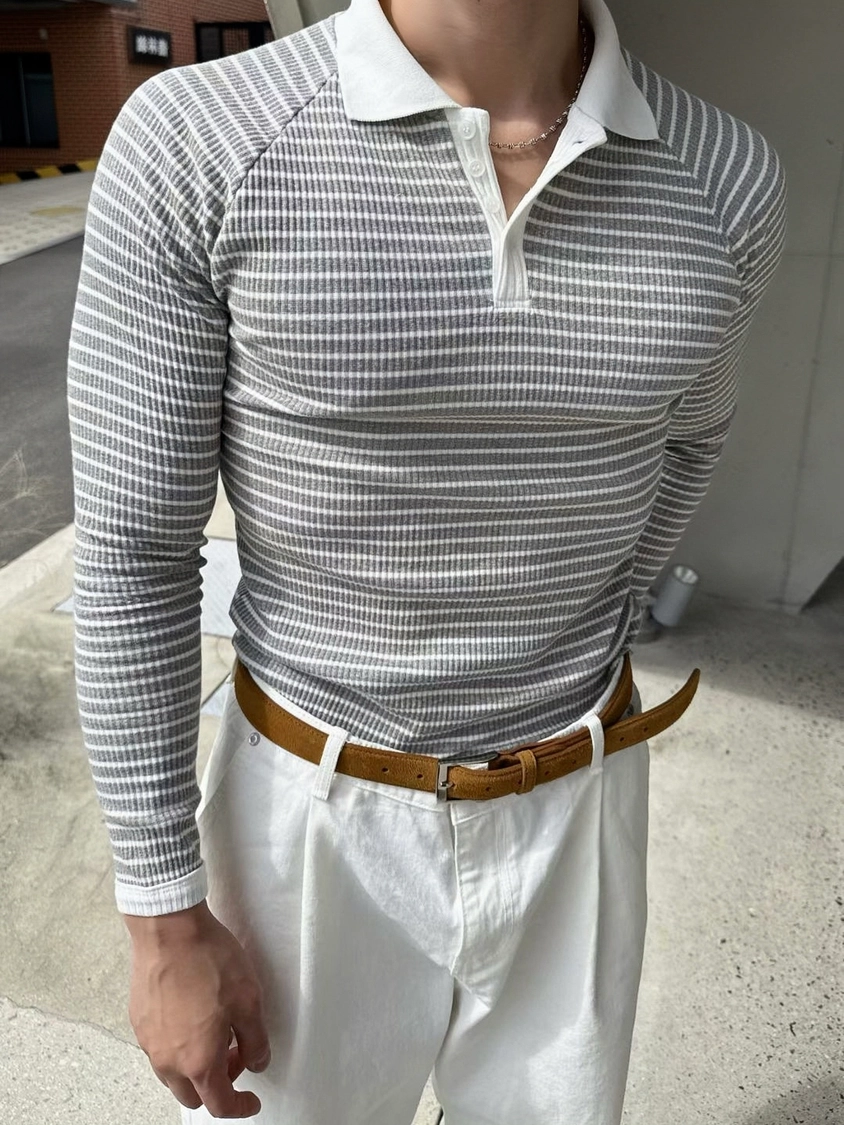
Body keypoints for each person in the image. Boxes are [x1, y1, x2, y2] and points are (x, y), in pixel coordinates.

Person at [67, 0, 786, 1121]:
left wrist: (579, 622)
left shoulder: (727, 177)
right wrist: (163, 917)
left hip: (580, 796)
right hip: (309, 814)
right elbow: (134, 553)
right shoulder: (202, 136)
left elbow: (687, 442)